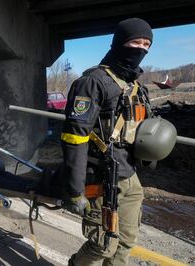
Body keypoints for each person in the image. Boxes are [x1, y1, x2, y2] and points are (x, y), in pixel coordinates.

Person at [60, 18, 154, 265]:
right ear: (120, 43)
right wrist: (74, 189)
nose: (141, 49)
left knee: (125, 243)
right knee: (102, 245)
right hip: (100, 178)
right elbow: (73, 138)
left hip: (130, 178)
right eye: (136, 42)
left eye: (147, 44)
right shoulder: (93, 82)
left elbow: (144, 128)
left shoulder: (136, 87)